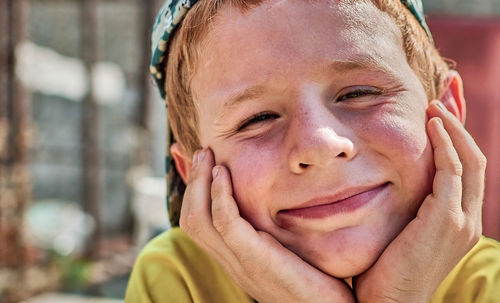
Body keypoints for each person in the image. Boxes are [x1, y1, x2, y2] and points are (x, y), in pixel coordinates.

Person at [125, 0, 500, 301]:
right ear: (194, 174)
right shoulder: (175, 281)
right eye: (257, 118)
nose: (319, 145)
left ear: (447, 109)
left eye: (358, 94)